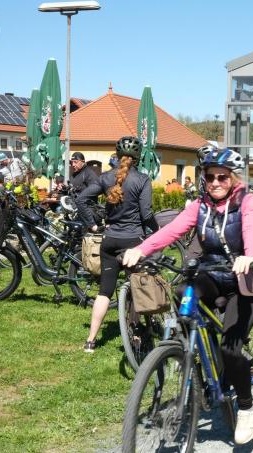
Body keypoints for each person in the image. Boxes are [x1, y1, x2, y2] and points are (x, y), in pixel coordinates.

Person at [122, 146, 253, 445]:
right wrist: (141, 249)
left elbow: (252, 233)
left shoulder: (248, 203)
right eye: (210, 177)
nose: (215, 182)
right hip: (211, 274)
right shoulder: (199, 206)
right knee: (181, 293)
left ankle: (247, 406)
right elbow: (171, 231)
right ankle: (187, 352)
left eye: (222, 178)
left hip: (243, 281)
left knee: (231, 349)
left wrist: (248, 257)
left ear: (233, 179)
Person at [75, 136, 158, 354]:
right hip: (133, 242)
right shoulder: (142, 180)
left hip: (110, 240)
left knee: (104, 292)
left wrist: (92, 226)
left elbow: (81, 200)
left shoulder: (105, 178)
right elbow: (146, 214)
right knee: (138, 289)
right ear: (138, 157)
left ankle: (91, 341)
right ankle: (138, 336)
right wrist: (157, 231)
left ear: (118, 155)